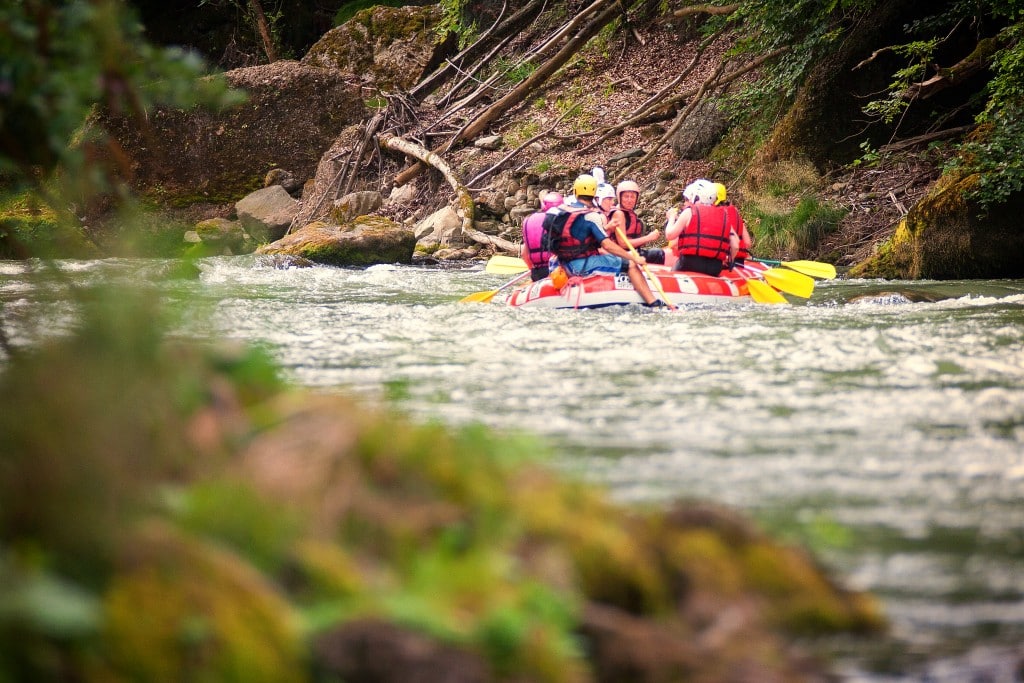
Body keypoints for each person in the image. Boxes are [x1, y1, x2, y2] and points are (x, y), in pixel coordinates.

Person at [548, 173, 663, 307]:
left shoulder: (559, 211)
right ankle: (652, 302)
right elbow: (607, 245)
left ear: (575, 191)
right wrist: (634, 258)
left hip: (561, 264)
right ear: (594, 193)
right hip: (579, 267)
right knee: (630, 264)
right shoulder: (591, 216)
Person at [665, 179, 738, 276]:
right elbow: (735, 245)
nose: (687, 202)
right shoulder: (725, 216)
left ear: (696, 197)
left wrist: (671, 218)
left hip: (689, 263)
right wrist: (730, 261)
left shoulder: (689, 212)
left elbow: (670, 235)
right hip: (715, 267)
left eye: (688, 199)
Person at [604, 179, 665, 265]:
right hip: (620, 254)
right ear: (619, 197)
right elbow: (623, 244)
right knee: (658, 254)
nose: (629, 200)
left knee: (655, 253)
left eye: (632, 197)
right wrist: (648, 238)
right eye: (626, 196)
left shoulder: (629, 213)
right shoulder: (619, 214)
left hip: (631, 251)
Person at [520, 190, 564, 281]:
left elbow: (524, 254)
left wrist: (532, 269)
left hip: (538, 273)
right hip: (559, 272)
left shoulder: (529, 220)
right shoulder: (561, 221)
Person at [713, 182, 753, 266]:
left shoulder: (714, 213)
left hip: (721, 261)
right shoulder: (735, 211)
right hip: (739, 260)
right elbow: (748, 243)